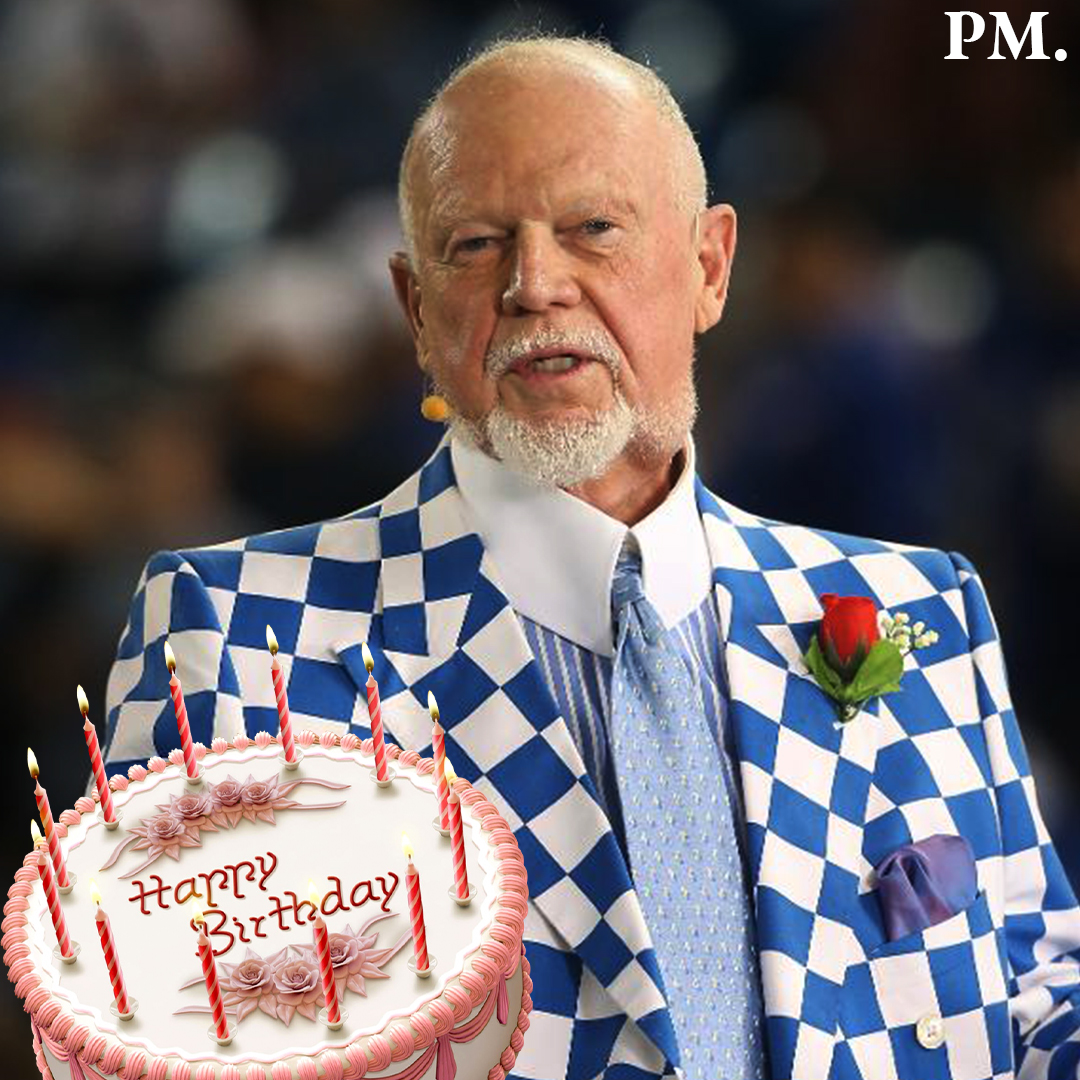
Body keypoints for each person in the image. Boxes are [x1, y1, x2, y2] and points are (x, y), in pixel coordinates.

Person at [103, 36, 1080, 1080]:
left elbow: (1042, 1000)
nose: (534, 285)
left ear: (710, 267)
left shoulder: (917, 611)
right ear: (417, 311)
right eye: (477, 243)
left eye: (593, 229)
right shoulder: (237, 636)